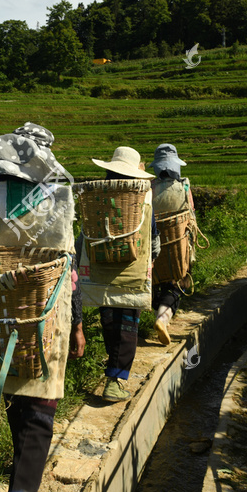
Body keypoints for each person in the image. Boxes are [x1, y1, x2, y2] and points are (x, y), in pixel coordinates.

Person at [0, 122, 84, 492]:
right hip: (43, 308)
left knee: (13, 382)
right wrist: (77, 324)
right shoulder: (57, 197)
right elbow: (69, 268)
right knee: (43, 398)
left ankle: (21, 479)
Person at [77, 147, 159, 402]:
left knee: (110, 321)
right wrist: (150, 261)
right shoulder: (143, 199)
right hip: (130, 273)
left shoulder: (95, 198)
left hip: (101, 271)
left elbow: (84, 236)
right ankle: (115, 381)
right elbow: (153, 240)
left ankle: (113, 372)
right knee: (128, 326)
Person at [149, 144, 197, 346]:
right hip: (177, 246)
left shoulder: (149, 188)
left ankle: (158, 311)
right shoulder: (184, 186)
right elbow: (191, 216)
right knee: (178, 283)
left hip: (153, 246)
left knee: (156, 283)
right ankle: (163, 318)